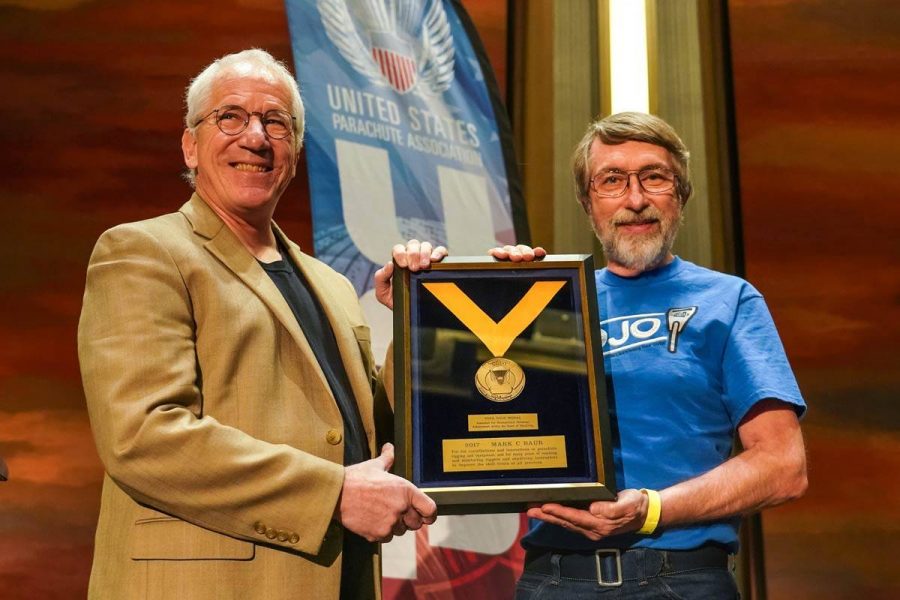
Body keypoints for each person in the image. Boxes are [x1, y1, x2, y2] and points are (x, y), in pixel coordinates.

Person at [78, 49, 444, 600]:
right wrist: (334, 493)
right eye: (230, 117)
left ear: (294, 153)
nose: (255, 137)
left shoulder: (331, 285)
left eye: (276, 122)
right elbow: (143, 435)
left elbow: (381, 439)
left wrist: (429, 317)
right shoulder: (143, 251)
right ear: (190, 145)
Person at [492, 112, 807, 599]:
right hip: (554, 578)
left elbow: (783, 466)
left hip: (681, 579)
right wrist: (474, 298)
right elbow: (471, 407)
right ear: (587, 202)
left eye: (654, 178)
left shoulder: (730, 300)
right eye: (612, 181)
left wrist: (651, 508)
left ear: (680, 197)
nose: (635, 200)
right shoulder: (547, 303)